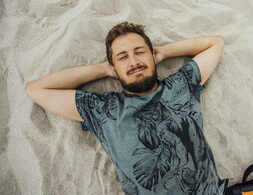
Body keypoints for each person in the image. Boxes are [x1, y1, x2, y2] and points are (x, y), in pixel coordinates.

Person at [25, 21, 229, 195]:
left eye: (140, 52)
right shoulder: (103, 110)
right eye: (122, 57)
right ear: (113, 67)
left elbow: (216, 43)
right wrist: (101, 69)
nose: (133, 62)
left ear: (152, 55)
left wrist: (164, 52)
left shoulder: (180, 86)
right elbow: (36, 89)